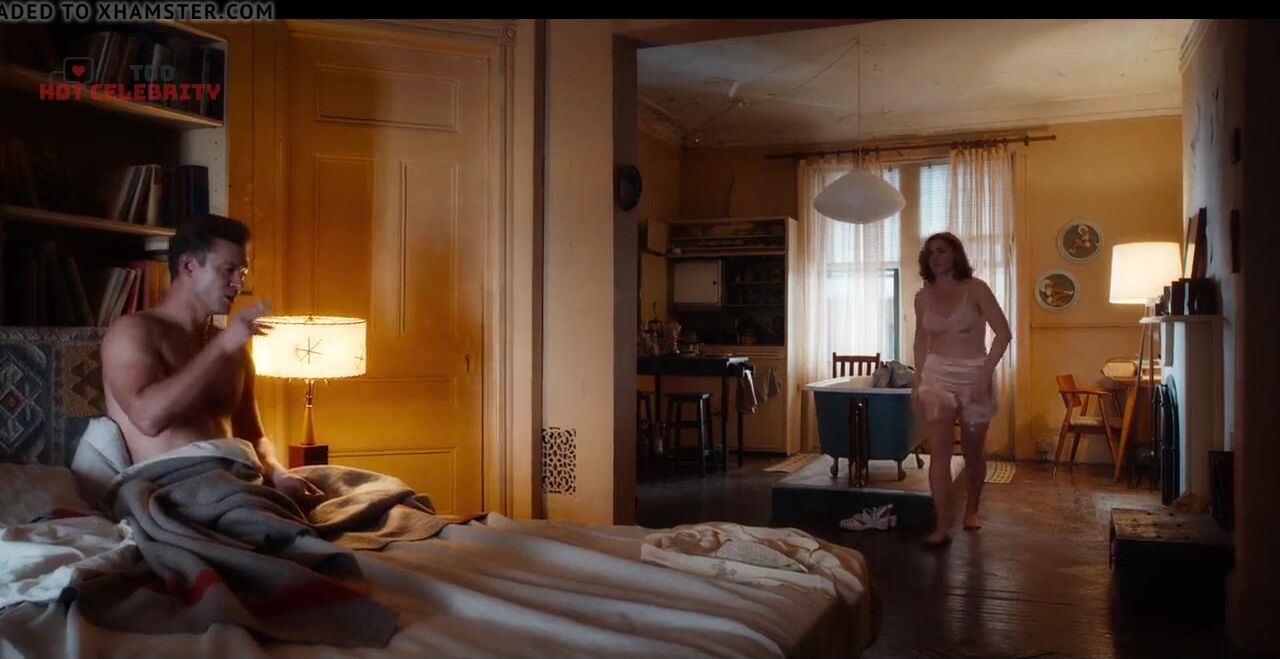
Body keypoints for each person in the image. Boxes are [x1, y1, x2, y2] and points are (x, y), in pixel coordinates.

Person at [101, 214, 324, 509]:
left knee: (365, 490)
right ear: (189, 266)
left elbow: (254, 436)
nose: (239, 284)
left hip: (240, 481)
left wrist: (280, 475)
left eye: (242, 272)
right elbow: (148, 419)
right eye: (228, 270)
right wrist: (222, 346)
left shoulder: (233, 347)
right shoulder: (133, 332)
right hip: (174, 490)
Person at [911, 232, 1012, 546]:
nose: (936, 257)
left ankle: (972, 509)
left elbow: (1003, 334)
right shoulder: (922, 297)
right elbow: (920, 342)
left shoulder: (976, 289)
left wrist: (985, 373)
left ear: (956, 254)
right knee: (939, 454)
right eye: (931, 253)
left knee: (972, 451)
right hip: (936, 375)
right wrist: (917, 381)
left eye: (942, 251)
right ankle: (942, 526)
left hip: (974, 373)